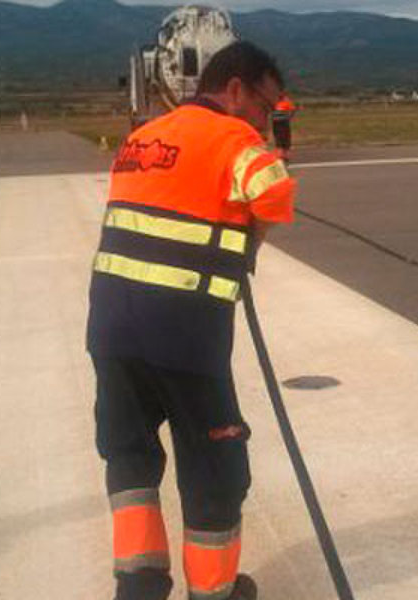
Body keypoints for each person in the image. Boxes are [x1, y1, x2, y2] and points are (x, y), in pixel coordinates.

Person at [86, 41, 296, 600]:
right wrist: (247, 241)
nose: (266, 119)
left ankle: (139, 586)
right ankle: (213, 593)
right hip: (184, 335)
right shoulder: (235, 137)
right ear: (234, 90)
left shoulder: (144, 136)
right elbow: (275, 197)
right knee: (214, 467)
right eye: (265, 105)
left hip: (111, 327)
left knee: (130, 458)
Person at [271, 92, 297, 163]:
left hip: (284, 122)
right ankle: (280, 154)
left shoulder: (286, 102)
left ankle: (285, 155)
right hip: (276, 123)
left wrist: (289, 117)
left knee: (285, 138)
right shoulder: (274, 102)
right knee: (278, 138)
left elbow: (292, 109)